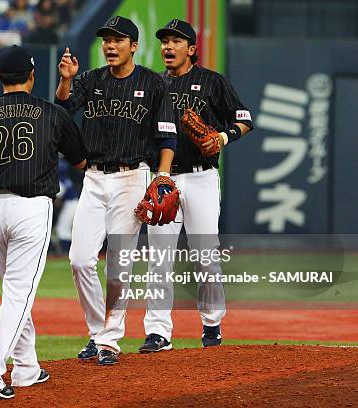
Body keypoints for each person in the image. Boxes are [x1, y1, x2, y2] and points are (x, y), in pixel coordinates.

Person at [0, 45, 86, 400]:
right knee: (19, 295)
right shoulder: (50, 113)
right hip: (32, 209)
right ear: (32, 76)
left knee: (14, 291)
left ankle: (27, 367)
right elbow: (79, 161)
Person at [55, 16, 177, 365]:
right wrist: (66, 81)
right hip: (93, 179)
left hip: (131, 177)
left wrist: (162, 177)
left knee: (118, 266)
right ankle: (98, 331)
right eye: (107, 39)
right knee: (80, 260)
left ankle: (109, 339)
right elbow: (64, 108)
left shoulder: (153, 84)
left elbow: (167, 136)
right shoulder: (91, 79)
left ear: (133, 46)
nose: (110, 45)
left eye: (118, 39)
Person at [139, 19, 254, 353]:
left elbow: (244, 119)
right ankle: (158, 332)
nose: (167, 47)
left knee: (206, 254)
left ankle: (212, 324)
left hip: (202, 176)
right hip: (165, 177)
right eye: (164, 41)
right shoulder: (154, 84)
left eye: (175, 41)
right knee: (159, 256)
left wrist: (221, 136)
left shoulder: (211, 82)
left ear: (191, 49)